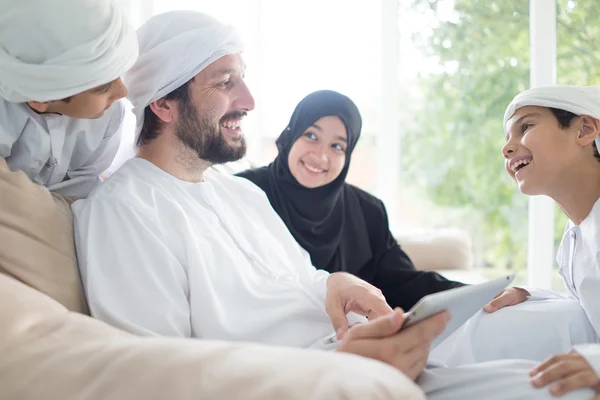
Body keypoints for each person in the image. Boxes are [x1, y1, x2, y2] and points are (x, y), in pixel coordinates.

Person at [72, 11, 594, 399]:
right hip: (325, 381)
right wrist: (337, 368)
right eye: (225, 83)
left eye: (244, 78)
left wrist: (335, 283)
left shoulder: (239, 194)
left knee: (563, 334)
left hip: (377, 356)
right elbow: (153, 373)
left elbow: (304, 280)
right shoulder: (124, 209)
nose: (250, 100)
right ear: (162, 102)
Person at [236, 90, 464, 311]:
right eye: (311, 136)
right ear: (291, 134)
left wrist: (481, 295)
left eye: (337, 146)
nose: (321, 155)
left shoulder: (368, 211)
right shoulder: (243, 193)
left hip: (345, 340)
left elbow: (404, 283)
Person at [432, 86, 600, 371]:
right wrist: (531, 295)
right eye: (507, 137)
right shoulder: (575, 239)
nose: (506, 148)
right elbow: (589, 306)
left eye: (526, 127)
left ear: (584, 130)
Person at [0, 0, 138, 198]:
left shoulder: (109, 113)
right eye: (103, 88)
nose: (122, 92)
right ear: (39, 99)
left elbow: (85, 186)